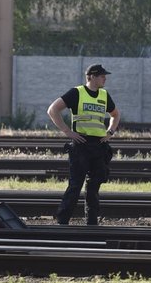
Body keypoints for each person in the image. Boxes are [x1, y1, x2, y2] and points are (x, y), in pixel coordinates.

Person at [46, 63, 120, 225]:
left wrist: (110, 133)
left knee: (94, 188)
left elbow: (115, 114)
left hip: (99, 146)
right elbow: (53, 110)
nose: (105, 78)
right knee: (75, 186)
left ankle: (92, 223)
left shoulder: (104, 95)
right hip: (81, 145)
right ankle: (62, 222)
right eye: (102, 76)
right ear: (92, 76)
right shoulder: (77, 93)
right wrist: (67, 131)